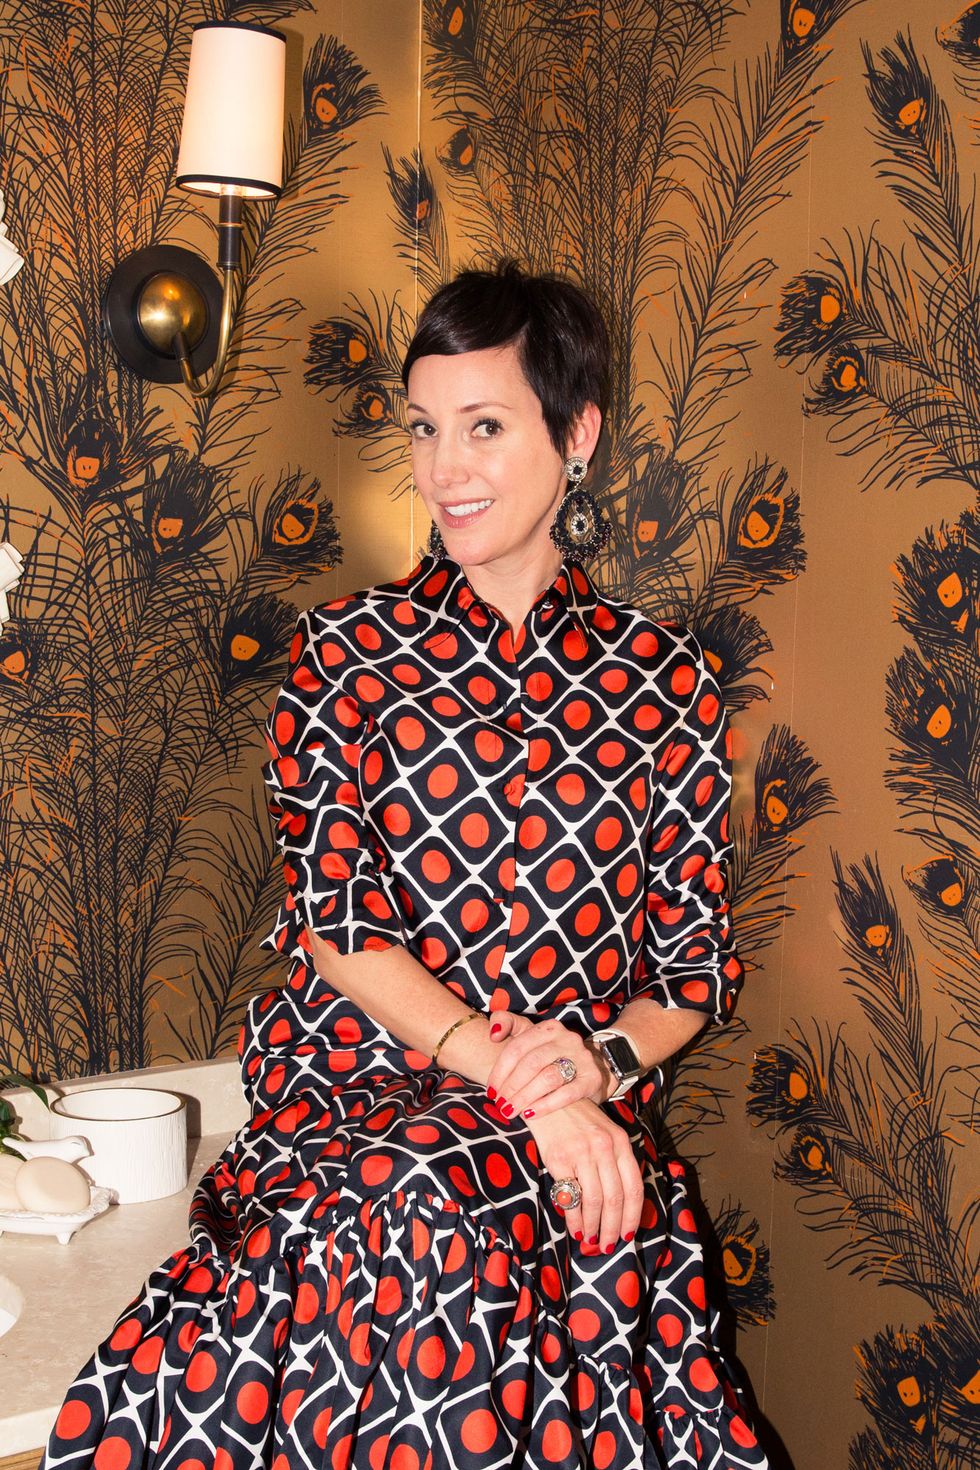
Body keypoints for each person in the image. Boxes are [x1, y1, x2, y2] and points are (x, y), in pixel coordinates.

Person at [41, 261, 768, 1470]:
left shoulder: (664, 678)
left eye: (483, 426)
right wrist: (530, 1092)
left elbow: (689, 969)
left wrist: (590, 1069)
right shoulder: (346, 652)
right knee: (428, 1190)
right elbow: (337, 926)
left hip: (571, 1104)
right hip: (360, 1093)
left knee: (493, 1200)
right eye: (425, 429)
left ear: (575, 436)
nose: (443, 468)